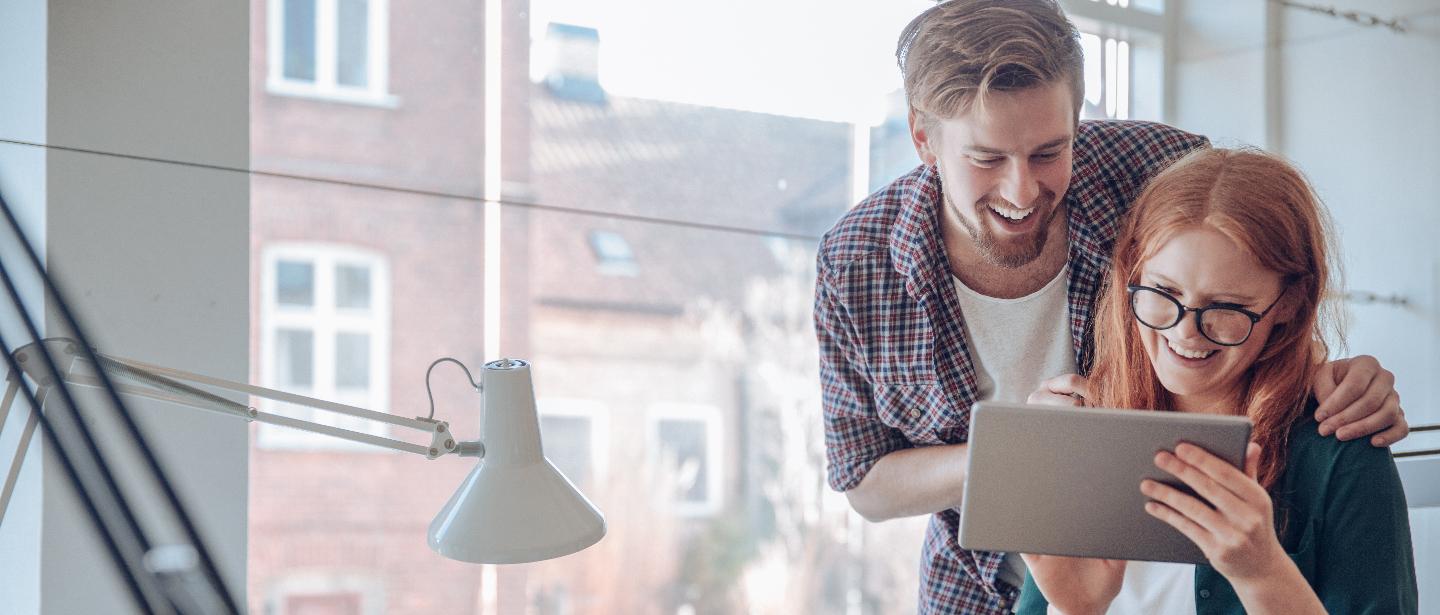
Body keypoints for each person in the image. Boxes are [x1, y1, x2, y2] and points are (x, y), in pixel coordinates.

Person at [812, 1, 1409, 612]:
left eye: (1050, 151)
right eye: (987, 158)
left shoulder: (1149, 168)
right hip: (986, 581)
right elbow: (865, 483)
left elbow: (1248, 253)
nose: (1023, 190)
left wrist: (1316, 370)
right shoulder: (858, 262)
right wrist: (1028, 452)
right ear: (923, 139)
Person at [1016, 147, 1418, 614]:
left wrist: (1263, 573)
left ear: (1289, 303)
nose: (1185, 332)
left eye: (1226, 307)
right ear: (1131, 272)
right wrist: (1076, 610)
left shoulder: (1340, 453)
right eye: (1163, 292)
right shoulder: (1081, 435)